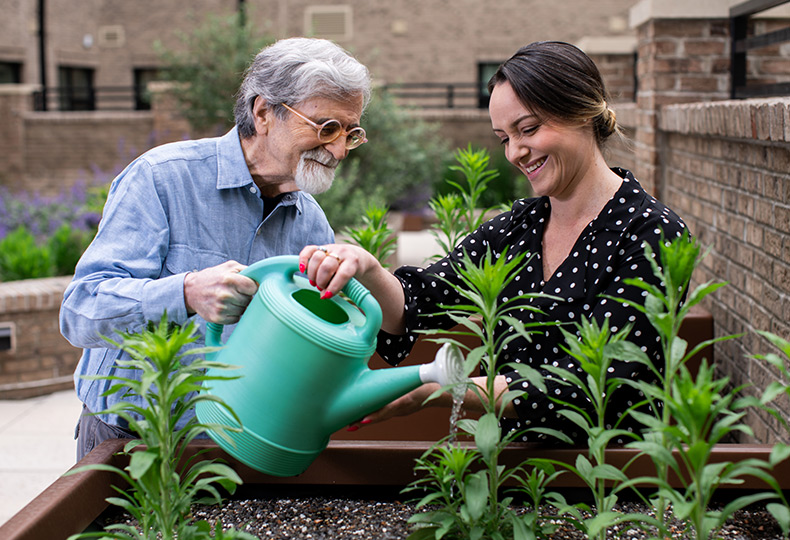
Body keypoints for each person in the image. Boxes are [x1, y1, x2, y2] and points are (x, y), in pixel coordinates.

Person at [299, 41, 688, 445]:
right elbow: (419, 305)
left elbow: (603, 384)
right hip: (513, 477)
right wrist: (367, 267)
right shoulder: (517, 230)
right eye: (504, 138)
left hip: (614, 483)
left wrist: (436, 390)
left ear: (583, 113)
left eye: (529, 129)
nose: (516, 152)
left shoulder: (650, 232)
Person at [61, 37, 372, 460]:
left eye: (349, 133)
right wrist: (186, 292)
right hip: (128, 437)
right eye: (325, 127)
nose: (338, 149)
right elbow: (80, 311)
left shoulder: (311, 220)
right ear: (263, 112)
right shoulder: (163, 178)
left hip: (235, 444)